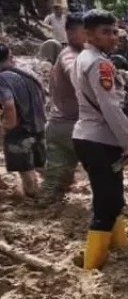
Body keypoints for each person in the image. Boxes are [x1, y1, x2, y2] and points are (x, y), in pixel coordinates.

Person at [73, 10, 128, 270]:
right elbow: (110, 107)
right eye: (105, 32)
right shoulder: (99, 63)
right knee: (109, 200)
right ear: (89, 34)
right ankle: (93, 264)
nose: (113, 37)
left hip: (90, 138)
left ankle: (120, 245)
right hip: (100, 139)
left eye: (114, 31)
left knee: (109, 194)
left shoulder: (86, 58)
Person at [40, 14, 86, 203]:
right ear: (71, 33)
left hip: (58, 125)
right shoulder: (70, 55)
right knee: (103, 170)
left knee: (57, 178)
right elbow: (73, 69)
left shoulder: (68, 55)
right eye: (86, 32)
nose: (91, 36)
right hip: (73, 126)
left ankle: (46, 204)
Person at [0, 43, 47, 197]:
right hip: (39, 126)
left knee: (25, 170)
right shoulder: (28, 73)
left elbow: (8, 105)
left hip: (21, 131)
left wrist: (8, 125)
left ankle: (33, 196)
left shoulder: (2, 78)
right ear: (9, 56)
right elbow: (43, 98)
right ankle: (56, 188)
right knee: (41, 165)